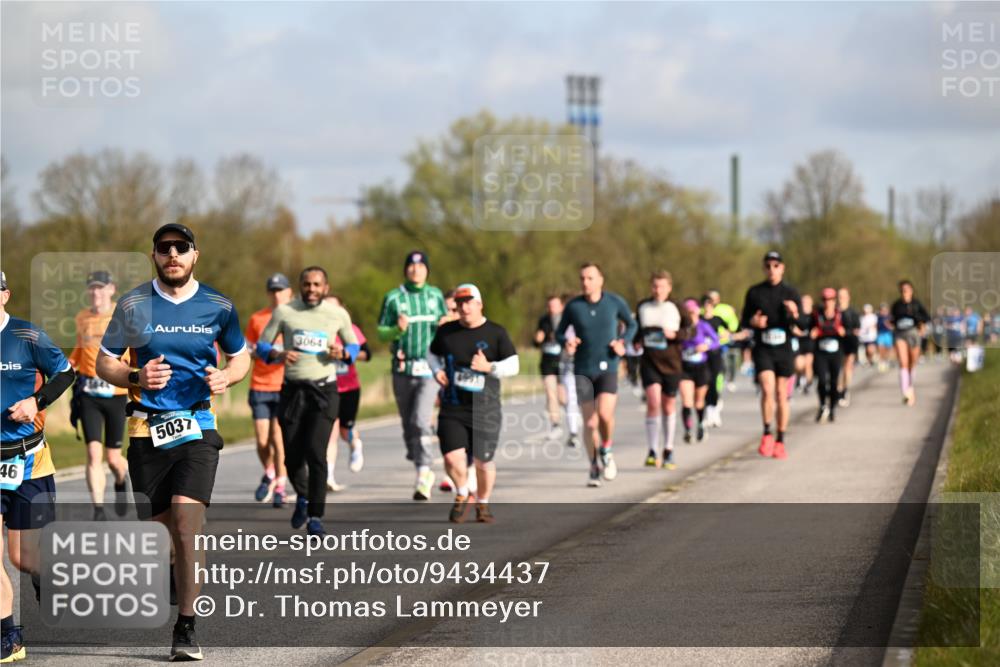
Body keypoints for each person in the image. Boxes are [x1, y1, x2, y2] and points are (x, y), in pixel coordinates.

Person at [97, 224, 251, 661]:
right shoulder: (133, 304)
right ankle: (173, 567)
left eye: (181, 247)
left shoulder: (219, 306)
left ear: (194, 255)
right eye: (164, 248)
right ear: (154, 256)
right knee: (161, 535)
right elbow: (104, 364)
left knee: (186, 524)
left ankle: (186, 626)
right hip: (146, 429)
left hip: (197, 425)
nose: (172, 254)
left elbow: (240, 357)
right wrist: (135, 376)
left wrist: (227, 377)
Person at [1, 271, 75, 664]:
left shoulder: (28, 336)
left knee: (25, 557)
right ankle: (9, 636)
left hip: (29, 460)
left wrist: (37, 402)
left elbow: (66, 372)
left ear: (5, 295)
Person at [257, 267, 359, 536]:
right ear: (300, 286)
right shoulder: (285, 312)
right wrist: (278, 354)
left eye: (316, 284)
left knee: (316, 453)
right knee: (292, 458)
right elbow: (263, 345)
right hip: (292, 392)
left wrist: (343, 353)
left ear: (325, 288)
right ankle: (303, 496)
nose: (311, 289)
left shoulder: (337, 314)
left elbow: (354, 345)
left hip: (324, 392)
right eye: (307, 284)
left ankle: (316, 516)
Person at [429, 284, 518, 524]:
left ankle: (483, 503)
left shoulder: (496, 332)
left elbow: (514, 365)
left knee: (483, 462)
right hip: (453, 405)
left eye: (469, 302)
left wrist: (489, 367)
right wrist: (436, 371)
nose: (464, 307)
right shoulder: (446, 332)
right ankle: (462, 493)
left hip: (485, 407)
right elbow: (431, 354)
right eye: (460, 303)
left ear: (479, 304)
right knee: (451, 458)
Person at [555, 263, 637, 487]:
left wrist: (622, 342)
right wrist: (567, 342)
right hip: (583, 369)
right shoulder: (574, 306)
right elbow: (560, 333)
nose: (585, 282)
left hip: (608, 366)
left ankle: (606, 449)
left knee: (605, 415)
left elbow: (632, 324)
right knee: (590, 423)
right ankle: (593, 466)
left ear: (601, 280)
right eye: (582, 278)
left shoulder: (614, 302)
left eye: (590, 278)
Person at [377, 251, 448, 500]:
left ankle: (424, 474)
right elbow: (381, 332)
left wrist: (446, 324)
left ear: (427, 270)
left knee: (420, 420)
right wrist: (396, 329)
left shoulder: (436, 296)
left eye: (421, 266)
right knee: (409, 425)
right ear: (405, 269)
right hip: (403, 369)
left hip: (430, 368)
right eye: (411, 265)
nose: (416, 270)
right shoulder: (393, 298)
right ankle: (417, 455)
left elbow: (447, 326)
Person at [68, 270, 129, 520]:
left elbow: (132, 349)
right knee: (93, 454)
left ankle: (121, 480)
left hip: (116, 393)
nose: (96, 292)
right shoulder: (82, 317)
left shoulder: (122, 317)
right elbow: (79, 349)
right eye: (92, 287)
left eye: (100, 287)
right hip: (89, 393)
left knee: (113, 458)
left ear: (111, 289)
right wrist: (69, 364)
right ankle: (99, 509)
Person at [740, 251, 802, 460]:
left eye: (776, 265)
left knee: (781, 394)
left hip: (784, 348)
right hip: (763, 348)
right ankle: (767, 432)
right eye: (768, 266)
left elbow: (803, 324)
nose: (772, 269)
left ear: (782, 268)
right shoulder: (755, 292)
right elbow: (743, 321)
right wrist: (753, 322)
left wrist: (795, 314)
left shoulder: (791, 293)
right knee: (767, 389)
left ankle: (780, 439)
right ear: (764, 268)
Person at [244, 273, 292, 507]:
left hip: (284, 386)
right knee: (262, 440)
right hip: (260, 385)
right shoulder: (257, 319)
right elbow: (246, 349)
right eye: (273, 291)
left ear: (289, 292)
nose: (276, 295)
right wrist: (258, 352)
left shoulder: (294, 318)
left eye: (280, 290)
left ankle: (281, 486)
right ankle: (270, 471)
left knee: (277, 437)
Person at [634, 271, 688, 469]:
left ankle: (668, 449)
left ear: (669, 288)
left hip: (672, 364)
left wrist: (675, 334)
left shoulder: (677, 307)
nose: (658, 290)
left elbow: (691, 330)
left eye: (662, 286)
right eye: (655, 286)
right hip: (650, 362)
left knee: (668, 405)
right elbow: (636, 330)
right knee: (653, 402)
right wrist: (637, 341)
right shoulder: (643, 307)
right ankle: (652, 450)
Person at [324, 295, 371, 491]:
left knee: (345, 431)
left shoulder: (351, 330)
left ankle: (355, 444)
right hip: (328, 387)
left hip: (350, 388)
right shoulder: (318, 330)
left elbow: (367, 354)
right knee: (330, 432)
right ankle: (328, 476)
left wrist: (346, 353)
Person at [679, 299, 719, 443]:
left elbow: (716, 341)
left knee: (699, 401)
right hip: (685, 367)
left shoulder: (703, 326)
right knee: (686, 401)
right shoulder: (681, 327)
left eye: (692, 312)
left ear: (697, 312)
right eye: (687, 313)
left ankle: (701, 425)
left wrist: (706, 346)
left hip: (701, 367)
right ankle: (688, 430)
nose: (690, 315)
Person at [889, 280, 931, 406]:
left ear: (911, 291)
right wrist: (891, 324)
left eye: (907, 290)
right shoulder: (896, 305)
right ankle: (905, 392)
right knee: (903, 362)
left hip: (913, 333)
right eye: (903, 290)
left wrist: (921, 326)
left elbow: (926, 317)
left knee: (912, 362)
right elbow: (892, 319)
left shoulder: (917, 304)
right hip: (900, 334)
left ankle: (910, 386)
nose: (905, 292)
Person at [534, 295, 569, 441]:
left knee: (562, 396)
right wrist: (537, 339)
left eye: (554, 305)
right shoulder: (543, 320)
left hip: (563, 360)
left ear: (561, 306)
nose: (551, 308)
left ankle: (568, 409)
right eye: (549, 306)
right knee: (550, 393)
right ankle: (556, 425)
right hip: (547, 361)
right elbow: (536, 342)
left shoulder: (567, 320)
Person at [811, 288, 846, 423]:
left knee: (833, 382)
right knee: (821, 380)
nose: (828, 302)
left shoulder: (840, 315)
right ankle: (822, 405)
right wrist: (813, 333)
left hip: (836, 353)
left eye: (830, 299)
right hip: (820, 353)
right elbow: (808, 329)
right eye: (825, 299)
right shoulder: (816, 315)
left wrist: (843, 332)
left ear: (834, 300)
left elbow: (851, 332)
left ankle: (832, 408)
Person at [705, 290, 742, 392]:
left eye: (714, 299)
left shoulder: (725, 309)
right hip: (706, 344)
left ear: (718, 299)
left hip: (722, 343)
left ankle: (719, 388)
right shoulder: (702, 309)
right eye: (709, 299)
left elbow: (734, 325)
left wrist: (728, 332)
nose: (712, 301)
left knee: (723, 366)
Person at [700, 295, 727, 428]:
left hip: (715, 354)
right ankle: (707, 413)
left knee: (714, 381)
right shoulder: (699, 320)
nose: (707, 307)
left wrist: (723, 335)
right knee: (705, 383)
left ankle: (714, 412)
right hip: (703, 355)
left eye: (709, 305)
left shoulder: (717, 319)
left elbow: (730, 330)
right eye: (705, 305)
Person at [836, 288, 861, 408]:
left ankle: (845, 390)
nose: (841, 298)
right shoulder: (834, 312)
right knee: (838, 368)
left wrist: (846, 332)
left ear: (848, 297)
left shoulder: (853, 312)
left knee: (847, 367)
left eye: (843, 296)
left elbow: (857, 330)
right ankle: (839, 389)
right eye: (839, 296)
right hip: (837, 343)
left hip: (850, 341)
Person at [793, 294, 815, 394]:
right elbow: (792, 326)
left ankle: (808, 384)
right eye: (803, 302)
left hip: (810, 342)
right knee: (798, 365)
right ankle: (799, 377)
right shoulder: (798, 315)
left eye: (807, 302)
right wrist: (796, 331)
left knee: (808, 364)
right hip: (799, 342)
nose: (805, 304)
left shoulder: (814, 315)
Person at [876, 303, 894, 372]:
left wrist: (888, 325)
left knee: (888, 349)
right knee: (881, 348)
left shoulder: (890, 317)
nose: (883, 312)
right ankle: (882, 362)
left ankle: (887, 361)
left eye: (884, 310)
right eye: (881, 310)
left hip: (888, 334)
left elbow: (892, 327)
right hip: (880, 334)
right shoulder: (878, 317)